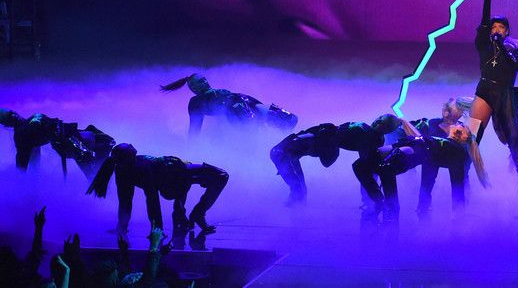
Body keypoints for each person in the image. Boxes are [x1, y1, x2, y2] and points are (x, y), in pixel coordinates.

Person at [86, 143, 229, 246]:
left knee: (221, 176)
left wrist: (124, 226)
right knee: (221, 176)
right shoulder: (130, 171)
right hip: (174, 175)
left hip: (177, 170)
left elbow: (131, 201)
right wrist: (156, 229)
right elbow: (143, 201)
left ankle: (196, 213)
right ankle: (193, 214)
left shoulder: (124, 169)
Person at [353, 122, 488, 223]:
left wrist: (459, 214)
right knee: (359, 165)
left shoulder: (458, 152)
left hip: (413, 152)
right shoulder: (442, 141)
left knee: (386, 169)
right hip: (403, 145)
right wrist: (423, 203)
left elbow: (456, 184)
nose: (459, 124)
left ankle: (391, 212)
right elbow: (429, 176)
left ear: (464, 136)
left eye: (462, 126)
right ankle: (378, 200)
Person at [269, 113, 413, 204]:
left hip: (322, 140)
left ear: (388, 130)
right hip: (322, 138)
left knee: (279, 153)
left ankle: (298, 193)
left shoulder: (369, 135)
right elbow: (366, 164)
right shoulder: (371, 135)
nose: (377, 122)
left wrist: (372, 194)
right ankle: (298, 194)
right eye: (379, 118)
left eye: (383, 123)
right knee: (285, 155)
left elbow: (365, 164)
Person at [467, 0, 518, 146]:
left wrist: (501, 45)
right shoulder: (484, 45)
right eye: (494, 27)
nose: (496, 29)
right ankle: (467, 163)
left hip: (504, 95)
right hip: (485, 90)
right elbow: (484, 20)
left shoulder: (515, 46)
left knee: (514, 140)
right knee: (472, 137)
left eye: (501, 27)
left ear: (507, 31)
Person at [160, 73, 298, 136]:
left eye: (205, 79)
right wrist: (191, 150)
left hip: (246, 102)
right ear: (194, 88)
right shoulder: (195, 102)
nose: (206, 82)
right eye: (201, 81)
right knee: (253, 128)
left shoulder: (220, 92)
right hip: (236, 111)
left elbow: (243, 100)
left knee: (288, 120)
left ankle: (282, 133)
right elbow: (195, 128)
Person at [1, 109, 115, 178]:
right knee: (91, 167)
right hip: (68, 144)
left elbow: (39, 121)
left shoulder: (33, 120)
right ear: (7, 124)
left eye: (12, 113)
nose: (14, 116)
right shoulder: (22, 135)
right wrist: (23, 179)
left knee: (102, 147)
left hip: (72, 139)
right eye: (10, 117)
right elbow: (24, 159)